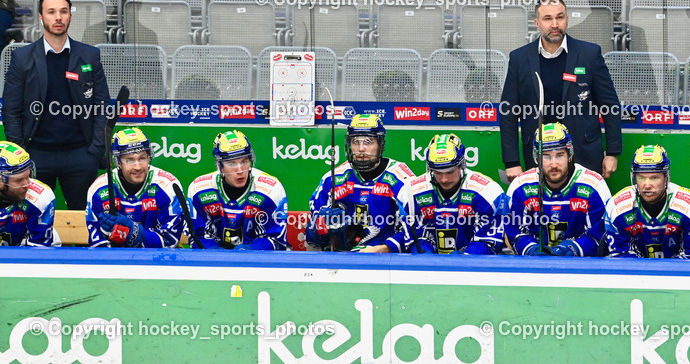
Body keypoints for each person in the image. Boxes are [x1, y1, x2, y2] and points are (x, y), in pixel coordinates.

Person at [2, 0, 109, 212]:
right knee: (32, 221)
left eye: (63, 11)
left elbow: (102, 108)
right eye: (51, 12)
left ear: (70, 16)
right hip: (36, 156)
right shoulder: (22, 58)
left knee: (85, 222)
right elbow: (10, 111)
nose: (58, 17)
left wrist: (94, 151)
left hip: (81, 155)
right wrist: (22, 155)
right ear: (41, 17)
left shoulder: (90, 56)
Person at [500, 0, 622, 181]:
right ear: (537, 23)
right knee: (542, 209)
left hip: (584, 154)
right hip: (538, 155)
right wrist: (511, 162)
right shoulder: (519, 59)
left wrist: (612, 153)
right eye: (547, 19)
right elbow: (508, 113)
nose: (555, 24)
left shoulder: (589, 54)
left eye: (560, 17)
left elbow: (610, 106)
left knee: (584, 208)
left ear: (567, 19)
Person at [305, 114, 417, 253]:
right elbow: (311, 239)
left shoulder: (401, 178)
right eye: (355, 141)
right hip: (341, 260)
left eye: (368, 141)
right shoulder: (333, 178)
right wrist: (319, 227)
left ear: (380, 144)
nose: (361, 148)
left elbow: (415, 228)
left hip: (385, 260)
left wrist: (382, 249)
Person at [506, 123, 611, 256]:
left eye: (560, 155)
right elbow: (514, 233)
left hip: (581, 269)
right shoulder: (520, 187)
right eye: (546, 156)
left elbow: (601, 237)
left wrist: (573, 249)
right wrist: (530, 250)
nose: (554, 164)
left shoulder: (594, 186)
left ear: (570, 154)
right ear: (536, 157)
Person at [405, 133, 507, 254]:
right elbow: (417, 239)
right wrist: (426, 258)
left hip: (475, 267)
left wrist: (460, 260)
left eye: (450, 171)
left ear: (462, 164)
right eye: (438, 172)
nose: (444, 179)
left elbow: (487, 243)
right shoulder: (415, 192)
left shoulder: (487, 192)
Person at [186, 130, 288, 250]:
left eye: (244, 161)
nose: (240, 170)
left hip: (258, 263)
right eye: (232, 164)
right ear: (219, 166)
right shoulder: (199, 190)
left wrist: (245, 253)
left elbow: (275, 240)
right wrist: (221, 257)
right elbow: (200, 237)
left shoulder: (270, 189)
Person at [85, 127, 184, 248]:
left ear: (149, 157)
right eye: (129, 160)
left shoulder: (167, 186)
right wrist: (108, 234)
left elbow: (170, 241)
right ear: (118, 162)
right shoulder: (99, 189)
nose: (138, 167)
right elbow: (98, 245)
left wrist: (134, 232)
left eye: (142, 158)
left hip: (158, 262)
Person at [605, 145, 690, 258]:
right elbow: (621, 259)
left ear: (666, 178)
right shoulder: (617, 207)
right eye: (641, 177)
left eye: (654, 178)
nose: (647, 185)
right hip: (637, 274)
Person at [0, 142, 58, 247]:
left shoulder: (40, 197)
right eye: (19, 180)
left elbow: (37, 255)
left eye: (28, 176)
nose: (27, 184)